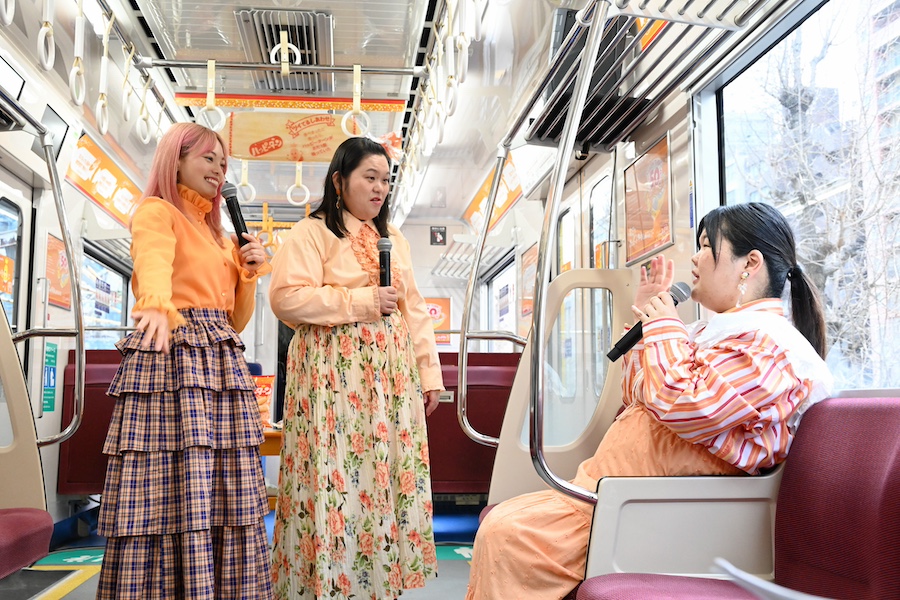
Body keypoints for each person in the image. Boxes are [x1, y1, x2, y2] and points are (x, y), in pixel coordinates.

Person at [465, 202, 833, 600]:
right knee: (501, 523)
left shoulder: (771, 346)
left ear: (750, 263)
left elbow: (688, 405)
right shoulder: (713, 332)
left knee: (507, 534)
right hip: (621, 494)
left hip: (658, 509)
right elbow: (641, 393)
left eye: (708, 246)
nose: (694, 257)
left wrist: (662, 330)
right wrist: (646, 323)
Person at [96, 122, 274, 599]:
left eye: (223, 163)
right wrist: (154, 302)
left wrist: (250, 274)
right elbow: (152, 257)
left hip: (219, 359)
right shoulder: (158, 212)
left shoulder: (222, 237)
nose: (219, 170)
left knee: (222, 485)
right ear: (176, 159)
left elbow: (234, 320)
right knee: (170, 486)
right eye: (208, 159)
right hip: (174, 356)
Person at [268, 136, 444, 599]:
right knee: (334, 471)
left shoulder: (395, 239)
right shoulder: (311, 232)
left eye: (386, 180)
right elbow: (286, 298)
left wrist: (430, 376)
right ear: (338, 181)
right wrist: (361, 302)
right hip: (331, 376)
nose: (380, 188)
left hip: (390, 377)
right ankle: (326, 580)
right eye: (369, 177)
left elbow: (415, 309)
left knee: (381, 471)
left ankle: (376, 580)